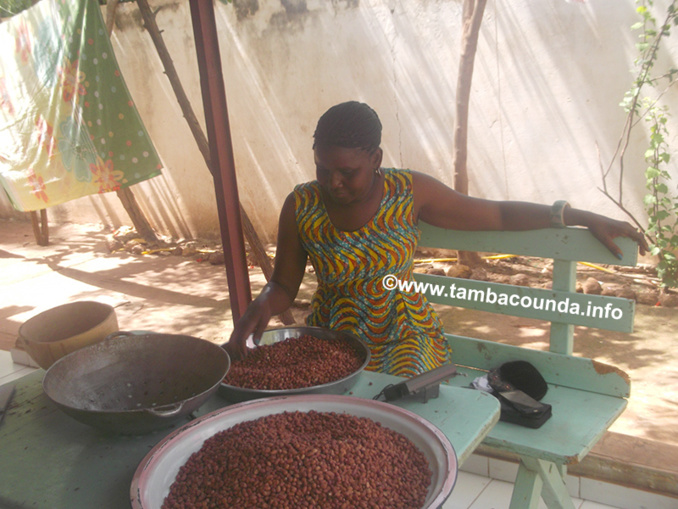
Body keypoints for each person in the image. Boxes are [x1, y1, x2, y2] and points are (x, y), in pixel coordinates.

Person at [226, 101, 648, 376]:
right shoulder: (302, 205)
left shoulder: (409, 192)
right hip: (332, 336)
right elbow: (284, 284)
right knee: (315, 414)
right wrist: (261, 305)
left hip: (404, 332)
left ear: (375, 159)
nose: (332, 182)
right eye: (322, 168)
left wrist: (575, 214)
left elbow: (497, 214)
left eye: (347, 172)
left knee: (398, 402)